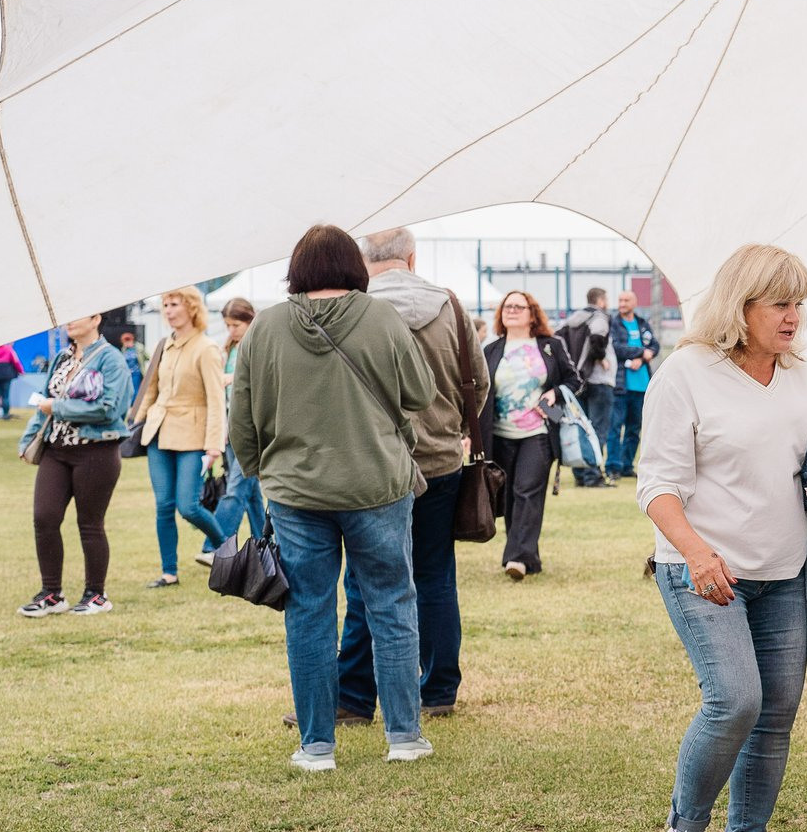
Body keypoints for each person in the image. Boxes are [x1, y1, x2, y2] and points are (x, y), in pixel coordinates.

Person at [639, 244, 807, 832]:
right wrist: (699, 554)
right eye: (780, 303)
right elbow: (657, 486)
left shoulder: (801, 374)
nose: (795, 316)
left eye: (800, 302)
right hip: (702, 570)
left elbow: (806, 465)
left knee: (775, 715)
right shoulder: (687, 373)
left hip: (783, 574)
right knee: (734, 699)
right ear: (741, 307)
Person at [231, 224, 437, 771]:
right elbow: (419, 393)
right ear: (355, 265)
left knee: (308, 612)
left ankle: (317, 744)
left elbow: (242, 417)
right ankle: (404, 736)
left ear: (296, 268)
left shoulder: (266, 326)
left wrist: (261, 472)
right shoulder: (382, 317)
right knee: (392, 603)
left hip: (295, 490)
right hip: (377, 484)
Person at [328, 227, 487, 724]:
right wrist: (454, 428)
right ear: (412, 257)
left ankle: (353, 697)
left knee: (363, 580)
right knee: (435, 576)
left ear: (363, 259)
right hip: (440, 460)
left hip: (372, 464)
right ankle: (438, 689)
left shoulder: (351, 310)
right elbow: (477, 382)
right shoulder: (451, 306)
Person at [18, 314, 133, 616]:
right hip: (57, 450)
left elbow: (110, 409)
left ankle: (96, 594)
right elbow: (44, 402)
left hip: (96, 450)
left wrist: (58, 407)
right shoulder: (62, 357)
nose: (68, 321)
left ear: (96, 318)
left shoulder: (111, 360)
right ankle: (51, 594)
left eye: (77, 314)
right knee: (44, 518)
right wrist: (28, 439)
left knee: (90, 524)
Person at [128, 288, 227, 588]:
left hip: (192, 436)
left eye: (175, 304)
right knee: (163, 505)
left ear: (192, 308)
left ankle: (224, 548)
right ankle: (168, 572)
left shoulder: (206, 348)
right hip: (159, 432)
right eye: (165, 305)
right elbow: (152, 391)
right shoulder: (163, 346)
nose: (168, 310)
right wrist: (134, 424)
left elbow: (215, 399)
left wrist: (213, 445)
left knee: (188, 506)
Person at [483, 290, 577, 579]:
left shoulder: (550, 346)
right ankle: (528, 557)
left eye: (518, 306)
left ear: (532, 313)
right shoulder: (491, 350)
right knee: (510, 495)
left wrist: (555, 393)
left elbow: (575, 380)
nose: (511, 310)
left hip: (537, 432)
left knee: (527, 490)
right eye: (507, 306)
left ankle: (517, 558)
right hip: (499, 435)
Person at [204, 299, 267, 562]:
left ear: (250, 320)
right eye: (228, 325)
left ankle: (216, 543)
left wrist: (234, 377)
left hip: (250, 429)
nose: (232, 330)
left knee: (235, 488)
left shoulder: (259, 345)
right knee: (250, 492)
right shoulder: (227, 349)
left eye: (236, 324)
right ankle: (265, 541)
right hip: (230, 427)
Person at [557, 287, 616, 487]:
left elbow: (557, 338)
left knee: (580, 427)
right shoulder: (599, 317)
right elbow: (598, 337)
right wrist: (600, 357)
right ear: (601, 300)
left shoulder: (573, 319)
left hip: (578, 381)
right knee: (598, 429)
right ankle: (593, 475)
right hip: (599, 379)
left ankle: (580, 473)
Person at [607, 290, 658, 478]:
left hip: (642, 385)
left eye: (626, 300)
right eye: (620, 300)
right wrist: (640, 353)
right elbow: (616, 348)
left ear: (634, 302)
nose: (622, 303)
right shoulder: (613, 323)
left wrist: (645, 357)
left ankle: (627, 465)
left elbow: (655, 345)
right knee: (615, 428)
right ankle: (613, 466)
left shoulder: (642, 323)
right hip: (621, 385)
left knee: (634, 428)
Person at [0, 342, 21, 420]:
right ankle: (6, 414)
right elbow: (16, 361)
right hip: (6, 375)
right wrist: (21, 371)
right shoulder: (8, 349)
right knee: (5, 395)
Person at [119, 332, 147, 403]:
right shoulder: (124, 350)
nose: (127, 343)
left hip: (136, 373)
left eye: (128, 341)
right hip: (127, 373)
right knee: (128, 390)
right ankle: (130, 404)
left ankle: (135, 404)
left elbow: (148, 357)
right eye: (125, 342)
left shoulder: (139, 348)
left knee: (135, 390)